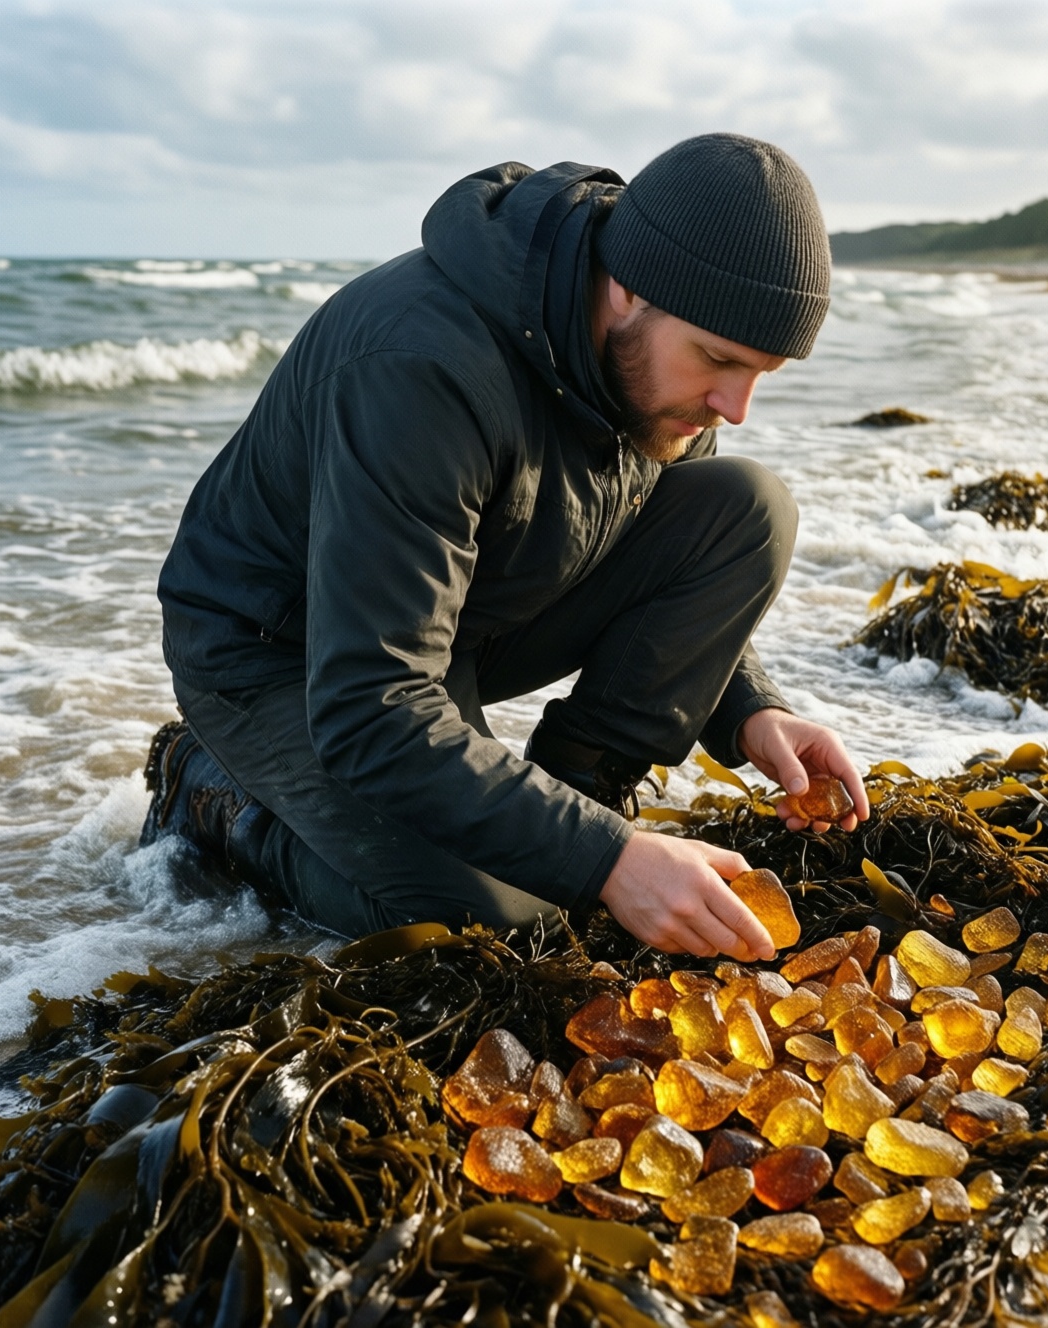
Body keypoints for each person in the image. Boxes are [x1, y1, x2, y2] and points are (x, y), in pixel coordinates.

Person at [144, 132, 868, 962]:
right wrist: (606, 862)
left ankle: (584, 796)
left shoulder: (646, 370)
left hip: (462, 616)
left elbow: (677, 536)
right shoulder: (421, 366)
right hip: (285, 655)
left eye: (762, 375)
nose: (734, 405)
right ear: (628, 289)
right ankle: (211, 792)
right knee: (491, 932)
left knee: (749, 505)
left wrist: (752, 710)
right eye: (718, 360)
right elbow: (372, 706)